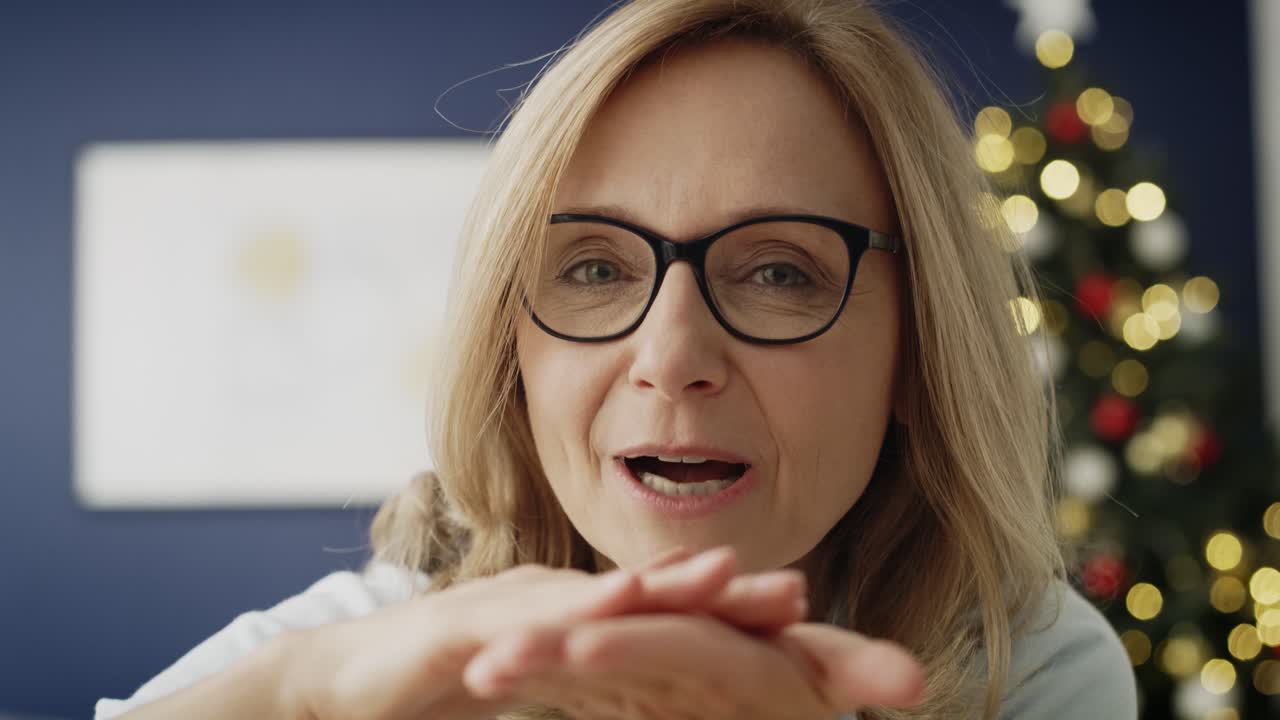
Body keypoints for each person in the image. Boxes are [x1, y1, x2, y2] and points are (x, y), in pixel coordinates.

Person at [95, 1, 1139, 718]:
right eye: (592, 269)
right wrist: (303, 697)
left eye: (777, 272)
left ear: (916, 351)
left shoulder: (1031, 667)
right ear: (511, 350)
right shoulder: (390, 640)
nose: (671, 356)